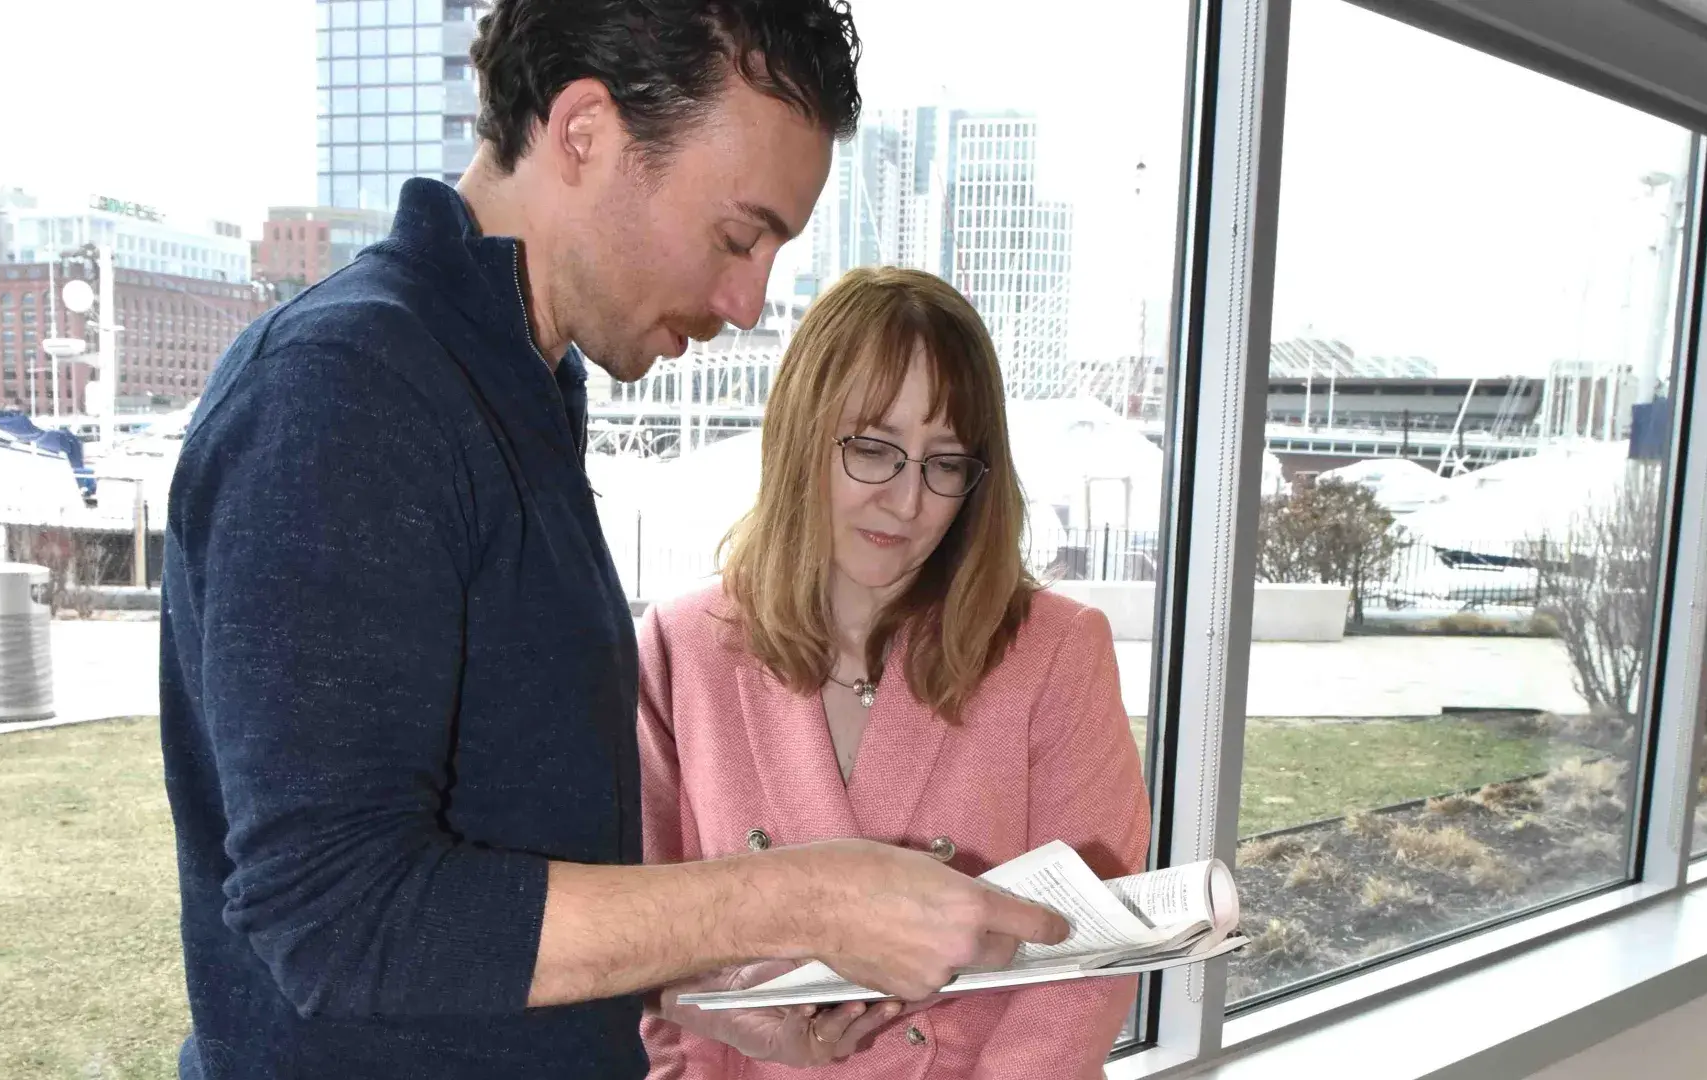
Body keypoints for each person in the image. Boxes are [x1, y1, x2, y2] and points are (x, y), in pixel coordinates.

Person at [158, 5, 1069, 1079]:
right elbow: (338, 919)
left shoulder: (524, 387)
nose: (748, 301)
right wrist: (803, 895)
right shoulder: (348, 392)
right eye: (739, 237)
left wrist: (695, 990)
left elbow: (499, 859)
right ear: (584, 130)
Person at [638, 267, 1152, 1078]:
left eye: (945, 463)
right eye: (874, 450)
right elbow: (651, 950)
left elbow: (1086, 959)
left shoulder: (1055, 652)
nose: (908, 502)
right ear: (800, 435)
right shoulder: (680, 647)